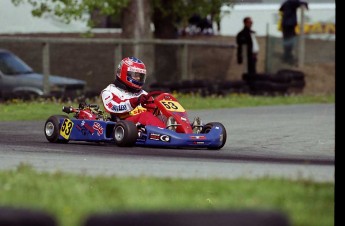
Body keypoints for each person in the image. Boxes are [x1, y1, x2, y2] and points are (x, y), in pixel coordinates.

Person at [101, 56, 166, 128]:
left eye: (140, 76)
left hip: (142, 126)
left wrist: (157, 107)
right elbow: (114, 107)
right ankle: (167, 133)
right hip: (124, 125)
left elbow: (153, 112)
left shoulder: (143, 93)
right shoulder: (110, 91)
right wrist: (135, 101)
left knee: (165, 116)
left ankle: (174, 131)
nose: (138, 78)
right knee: (145, 116)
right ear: (124, 73)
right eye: (136, 75)